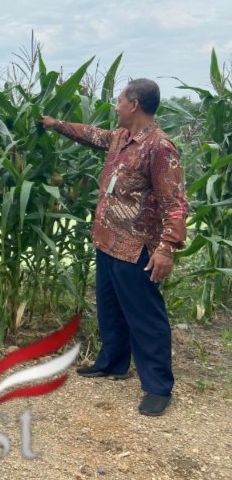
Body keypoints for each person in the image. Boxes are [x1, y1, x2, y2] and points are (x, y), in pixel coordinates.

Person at [40, 78, 188, 416]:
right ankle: (113, 363)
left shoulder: (159, 148)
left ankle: (158, 386)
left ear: (134, 104)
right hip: (107, 240)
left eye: (119, 100)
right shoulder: (121, 137)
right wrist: (55, 124)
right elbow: (91, 135)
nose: (116, 106)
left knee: (145, 316)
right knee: (110, 308)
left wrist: (167, 248)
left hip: (136, 248)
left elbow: (176, 203)